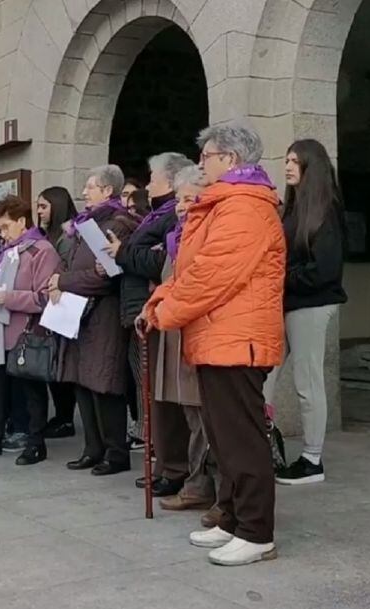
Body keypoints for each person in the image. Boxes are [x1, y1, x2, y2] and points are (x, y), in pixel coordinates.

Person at [143, 120, 284, 566]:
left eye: (207, 156)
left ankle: (257, 531)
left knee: (241, 438)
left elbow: (212, 275)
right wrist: (159, 299)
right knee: (223, 439)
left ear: (231, 160)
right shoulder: (221, 204)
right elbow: (191, 269)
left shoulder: (244, 207)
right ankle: (233, 519)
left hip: (237, 338)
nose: (201, 164)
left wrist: (164, 312)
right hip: (216, 335)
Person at [105, 152, 195, 497]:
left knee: (166, 397)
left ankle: (174, 467)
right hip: (143, 308)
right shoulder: (155, 216)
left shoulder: (171, 215)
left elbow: (160, 261)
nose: (148, 183)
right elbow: (150, 255)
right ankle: (165, 464)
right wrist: (130, 253)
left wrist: (124, 253)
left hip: (159, 310)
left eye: (153, 177)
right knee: (154, 395)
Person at [262, 139, 350, 486]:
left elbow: (324, 269)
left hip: (312, 304)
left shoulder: (325, 211)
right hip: (287, 303)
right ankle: (264, 439)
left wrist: (282, 277)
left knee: (307, 382)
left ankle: (313, 458)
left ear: (311, 167)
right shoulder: (293, 209)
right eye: (285, 160)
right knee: (263, 374)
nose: (286, 166)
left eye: (295, 161)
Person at [141, 166, 220, 519]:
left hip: (197, 330)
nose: (182, 206)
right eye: (179, 199)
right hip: (173, 329)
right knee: (189, 413)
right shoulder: (178, 236)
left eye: (190, 199)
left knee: (205, 415)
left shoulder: (207, 234)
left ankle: (206, 485)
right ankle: (196, 482)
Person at [50, 165, 139, 476]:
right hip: (79, 314)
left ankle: (116, 452)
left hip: (104, 314)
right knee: (82, 383)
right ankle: (92, 448)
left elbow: (106, 277)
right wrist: (63, 279)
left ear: (107, 191)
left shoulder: (118, 224)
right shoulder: (85, 224)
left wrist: (64, 280)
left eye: (91, 187)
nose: (84, 192)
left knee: (104, 384)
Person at [0, 196, 61, 464]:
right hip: (0, 328)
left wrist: (9, 298)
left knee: (31, 389)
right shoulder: (7, 251)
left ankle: (35, 443)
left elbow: (45, 297)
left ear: (22, 222)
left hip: (26, 331)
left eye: (5, 226)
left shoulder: (42, 250)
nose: (2, 233)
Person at [36, 186, 79, 438]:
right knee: (54, 362)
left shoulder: (68, 236)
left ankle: (65, 417)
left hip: (64, 305)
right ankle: (62, 416)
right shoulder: (48, 235)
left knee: (62, 362)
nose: (39, 211)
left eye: (43, 206)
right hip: (53, 305)